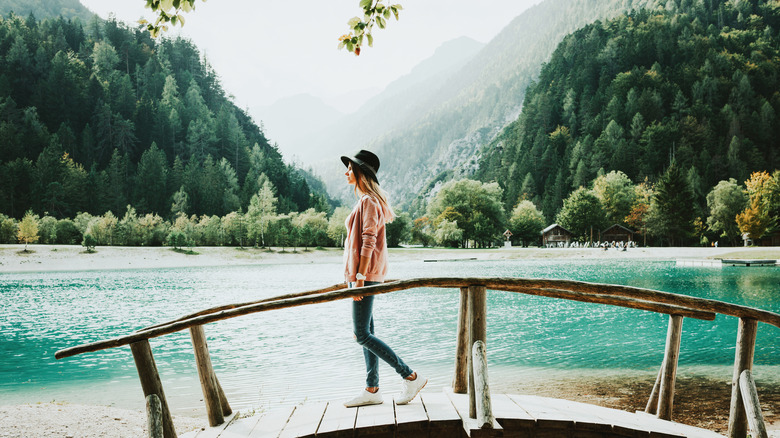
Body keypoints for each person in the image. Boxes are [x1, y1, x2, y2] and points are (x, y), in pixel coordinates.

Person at [340, 149, 427, 407]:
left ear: (361, 173)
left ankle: (410, 376)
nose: (346, 172)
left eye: (350, 168)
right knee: (367, 331)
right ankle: (372, 388)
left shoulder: (368, 201)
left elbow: (368, 242)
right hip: (361, 276)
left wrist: (358, 277)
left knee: (361, 334)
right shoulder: (366, 200)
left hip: (363, 277)